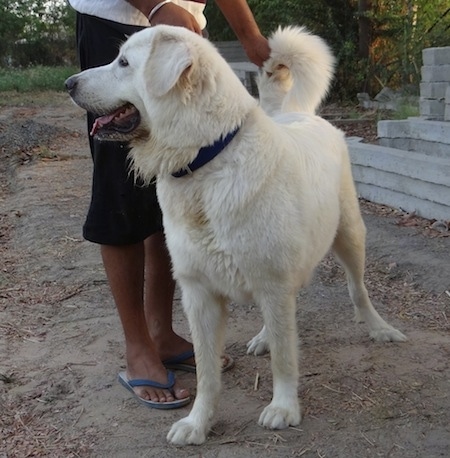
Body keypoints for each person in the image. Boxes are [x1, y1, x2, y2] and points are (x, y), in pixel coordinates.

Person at [68, 0, 270, 409]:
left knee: (177, 183)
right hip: (119, 21)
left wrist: (250, 36)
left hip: (184, 36)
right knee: (121, 189)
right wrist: (155, 5)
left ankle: (161, 331)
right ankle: (137, 346)